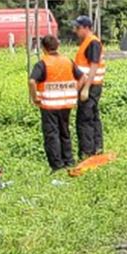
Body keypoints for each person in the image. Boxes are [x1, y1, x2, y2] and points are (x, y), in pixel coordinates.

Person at [28, 34, 82, 171]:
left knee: (52, 135)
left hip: (49, 105)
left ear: (44, 48)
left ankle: (57, 166)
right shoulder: (68, 61)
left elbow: (32, 81)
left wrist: (34, 98)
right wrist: (75, 90)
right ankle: (69, 161)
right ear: (57, 46)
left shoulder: (43, 63)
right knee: (65, 132)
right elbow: (83, 77)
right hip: (66, 104)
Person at [73, 15, 106, 159]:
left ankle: (87, 151)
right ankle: (96, 147)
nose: (76, 31)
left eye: (78, 28)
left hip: (91, 86)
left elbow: (94, 65)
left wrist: (85, 87)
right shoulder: (88, 42)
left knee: (85, 119)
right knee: (93, 117)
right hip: (92, 85)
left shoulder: (92, 43)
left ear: (86, 28)